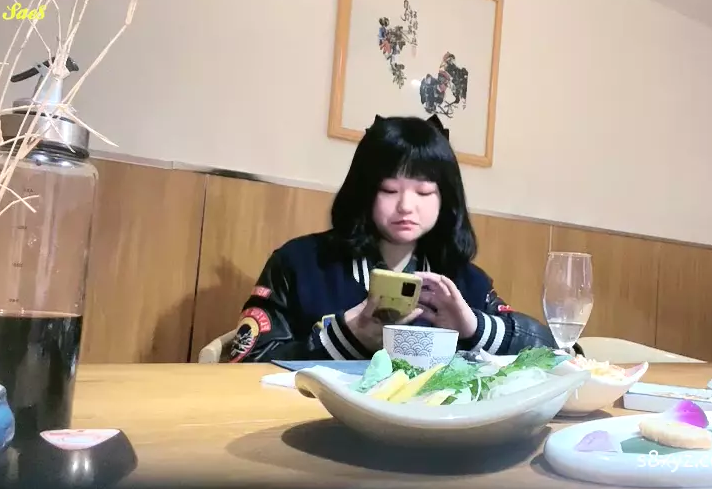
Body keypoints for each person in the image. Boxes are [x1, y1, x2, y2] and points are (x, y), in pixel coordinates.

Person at [227, 114, 564, 362]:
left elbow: (553, 354)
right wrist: (347, 335)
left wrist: (472, 326)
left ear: (445, 199)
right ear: (364, 192)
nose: (406, 206)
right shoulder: (300, 264)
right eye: (390, 190)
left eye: (424, 192)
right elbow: (246, 360)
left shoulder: (464, 281)